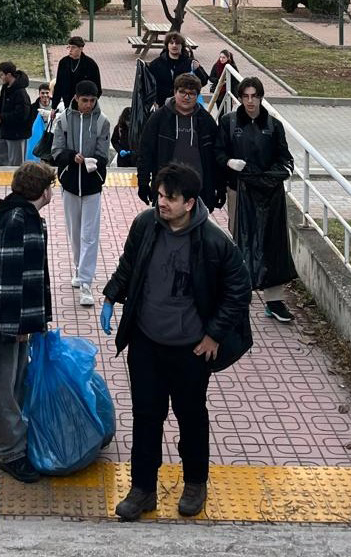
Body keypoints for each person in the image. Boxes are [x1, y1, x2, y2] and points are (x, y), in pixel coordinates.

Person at [99, 163, 252, 521]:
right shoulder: (145, 225)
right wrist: (110, 296)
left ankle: (195, 483)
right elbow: (128, 265)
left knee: (191, 418)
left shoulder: (214, 242)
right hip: (146, 344)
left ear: (190, 203)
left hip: (190, 351)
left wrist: (215, 333)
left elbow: (239, 289)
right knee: (146, 417)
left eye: (170, 197)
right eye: (159, 195)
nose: (161, 202)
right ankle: (142, 489)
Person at [0, 161, 56, 484]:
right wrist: (16, 327)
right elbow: (8, 280)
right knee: (6, 388)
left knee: (1, 382)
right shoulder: (20, 221)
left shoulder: (19, 216)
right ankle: (11, 453)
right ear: (43, 191)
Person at [219, 76, 297, 323]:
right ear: (240, 98)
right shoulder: (229, 123)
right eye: (246, 96)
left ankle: (274, 300)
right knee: (239, 239)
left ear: (261, 97)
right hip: (239, 191)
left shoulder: (273, 126)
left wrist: (267, 178)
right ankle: (240, 290)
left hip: (269, 194)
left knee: (273, 243)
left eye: (255, 96)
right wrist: (228, 163)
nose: (250, 101)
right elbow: (218, 152)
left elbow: (285, 159)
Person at [51, 80, 110, 307]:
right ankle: (79, 269)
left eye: (92, 101)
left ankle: (86, 282)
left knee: (89, 234)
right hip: (69, 184)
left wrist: (94, 162)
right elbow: (56, 151)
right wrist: (71, 156)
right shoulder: (63, 120)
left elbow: (103, 153)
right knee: (74, 232)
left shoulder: (103, 121)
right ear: (76, 98)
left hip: (92, 184)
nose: (88, 104)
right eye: (84, 100)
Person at [137, 73, 224, 211]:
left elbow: (216, 156)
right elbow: (146, 152)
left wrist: (220, 187)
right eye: (182, 92)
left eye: (192, 93)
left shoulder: (206, 121)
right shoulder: (159, 118)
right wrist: (143, 183)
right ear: (174, 92)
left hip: (199, 191)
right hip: (166, 189)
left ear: (197, 96)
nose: (187, 97)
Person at [0, 61, 34, 166]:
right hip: (3, 129)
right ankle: (2, 176)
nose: (0, 77)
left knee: (16, 162)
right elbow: (0, 102)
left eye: (1, 75)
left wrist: (3, 118)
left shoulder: (20, 93)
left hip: (16, 133)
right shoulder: (5, 88)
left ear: (9, 75)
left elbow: (22, 114)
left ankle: (15, 180)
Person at [147, 32, 209, 107]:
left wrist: (197, 70)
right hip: (162, 105)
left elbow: (204, 81)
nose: (174, 45)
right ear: (167, 45)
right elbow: (149, 85)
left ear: (182, 46)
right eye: (171, 43)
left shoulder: (190, 62)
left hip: (185, 105)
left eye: (177, 43)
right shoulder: (156, 64)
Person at [51, 36, 103, 114]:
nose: (70, 50)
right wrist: (54, 107)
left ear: (81, 48)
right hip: (68, 105)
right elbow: (59, 85)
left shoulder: (90, 64)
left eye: (73, 47)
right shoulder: (64, 62)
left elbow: (97, 88)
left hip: (85, 107)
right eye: (69, 47)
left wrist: (90, 103)